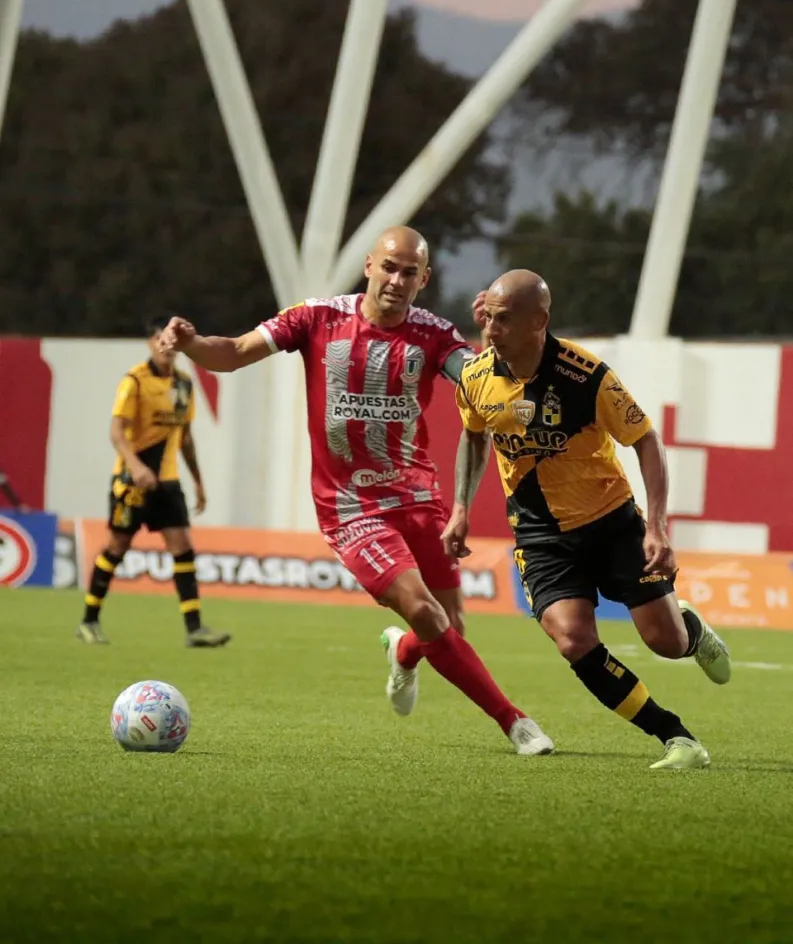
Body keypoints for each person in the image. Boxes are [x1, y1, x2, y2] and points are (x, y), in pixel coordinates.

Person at [159, 226, 553, 755]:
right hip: (351, 507)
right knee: (428, 614)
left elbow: (481, 384)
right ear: (368, 265)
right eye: (388, 267)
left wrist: (489, 343)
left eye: (409, 272)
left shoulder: (434, 334)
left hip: (417, 497)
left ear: (424, 279)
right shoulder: (316, 317)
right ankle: (515, 722)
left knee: (449, 625)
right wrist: (191, 345)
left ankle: (405, 655)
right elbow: (231, 352)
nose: (396, 279)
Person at [441, 270, 731, 771]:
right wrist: (461, 508)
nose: (491, 330)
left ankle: (691, 630)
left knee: (666, 642)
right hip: (541, 533)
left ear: (540, 321)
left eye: (505, 320)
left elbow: (647, 440)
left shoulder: (586, 376)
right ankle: (675, 736)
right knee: (573, 640)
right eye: (488, 318)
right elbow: (473, 437)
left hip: (611, 522)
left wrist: (658, 527)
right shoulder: (474, 377)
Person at [77, 315, 231, 648]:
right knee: (117, 547)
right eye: (162, 339)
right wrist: (135, 466)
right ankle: (89, 620)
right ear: (151, 341)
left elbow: (186, 438)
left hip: (169, 481)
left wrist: (199, 482)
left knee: (183, 548)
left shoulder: (184, 384)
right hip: (132, 482)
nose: (168, 346)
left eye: (173, 340)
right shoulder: (134, 380)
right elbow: (116, 431)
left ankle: (194, 629)